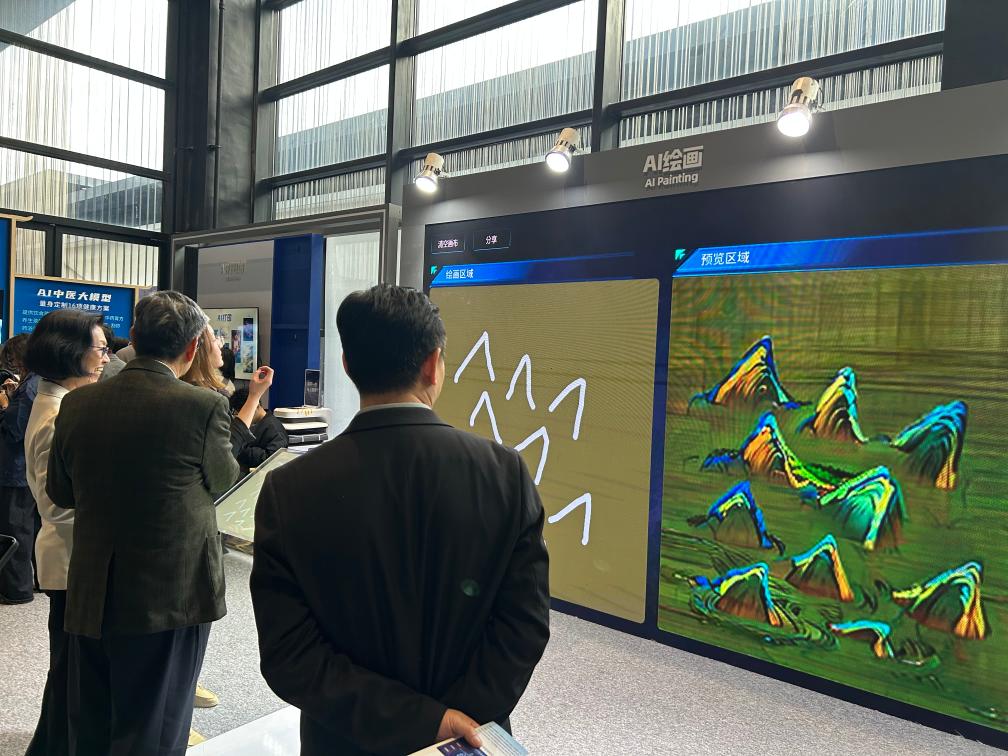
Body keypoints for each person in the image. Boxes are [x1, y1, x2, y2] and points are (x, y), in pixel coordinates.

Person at [250, 284, 551, 755]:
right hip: (467, 737)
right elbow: (524, 623)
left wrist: (419, 721)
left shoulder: (288, 489)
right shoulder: (504, 473)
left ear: (347, 365)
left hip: (344, 739)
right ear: (433, 364)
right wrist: (454, 719)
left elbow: (291, 655)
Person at [46, 291, 239, 756]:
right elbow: (224, 481)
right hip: (170, 595)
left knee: (92, 720)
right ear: (193, 347)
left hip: (92, 590)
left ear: (132, 336)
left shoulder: (78, 403)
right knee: (156, 725)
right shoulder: (201, 406)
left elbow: (61, 492)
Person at [23, 310, 109, 755]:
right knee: (70, 672)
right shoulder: (57, 415)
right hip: (71, 560)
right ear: (70, 352)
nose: (105, 359)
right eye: (100, 349)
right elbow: (57, 506)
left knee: (67, 671)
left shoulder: (60, 403)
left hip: (71, 559)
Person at [0, 333, 40, 604]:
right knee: (29, 529)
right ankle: (32, 583)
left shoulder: (29, 388)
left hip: (15, 469)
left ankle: (16, 589)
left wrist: (5, 406)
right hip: (27, 468)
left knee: (15, 529)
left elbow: (14, 430)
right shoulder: (37, 383)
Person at [228, 387, 288, 474]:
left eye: (245, 411)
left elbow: (272, 459)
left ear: (256, 405)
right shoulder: (256, 424)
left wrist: (240, 448)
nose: (244, 417)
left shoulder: (275, 429)